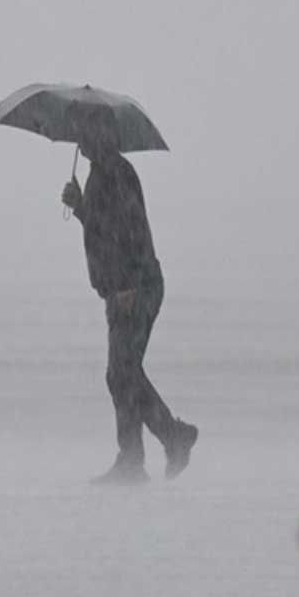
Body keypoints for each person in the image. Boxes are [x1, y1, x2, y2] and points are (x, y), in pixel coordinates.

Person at [60, 111, 198, 484]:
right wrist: (80, 207)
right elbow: (105, 229)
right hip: (121, 288)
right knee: (121, 374)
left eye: (83, 130)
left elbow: (133, 231)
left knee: (121, 373)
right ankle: (139, 455)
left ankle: (163, 442)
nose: (79, 139)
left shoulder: (118, 173)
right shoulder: (100, 173)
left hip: (137, 287)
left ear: (100, 134)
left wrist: (128, 286)